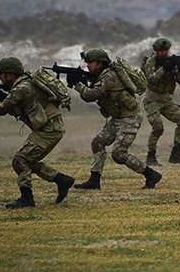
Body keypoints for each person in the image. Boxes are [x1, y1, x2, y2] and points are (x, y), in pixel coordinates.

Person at [0, 57, 75, 209]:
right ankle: (62, 180)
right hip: (50, 128)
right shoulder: (24, 83)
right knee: (28, 161)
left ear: (11, 74)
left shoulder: (21, 88)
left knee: (20, 160)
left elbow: (1, 109)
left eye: (1, 73)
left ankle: (27, 199)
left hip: (49, 130)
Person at [69, 49, 162, 190]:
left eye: (90, 62)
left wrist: (78, 84)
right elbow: (89, 96)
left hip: (130, 118)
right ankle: (94, 181)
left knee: (118, 154)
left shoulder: (108, 76)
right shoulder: (101, 76)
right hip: (118, 117)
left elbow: (92, 94)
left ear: (99, 63)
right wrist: (82, 83)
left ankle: (151, 174)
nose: (87, 65)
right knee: (98, 143)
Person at [141, 37, 180, 166]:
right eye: (160, 51)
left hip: (166, 99)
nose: (163, 53)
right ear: (156, 51)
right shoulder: (151, 62)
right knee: (158, 128)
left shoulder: (171, 61)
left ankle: (176, 154)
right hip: (152, 99)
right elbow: (151, 79)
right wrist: (165, 67)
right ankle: (150, 156)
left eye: (165, 51)